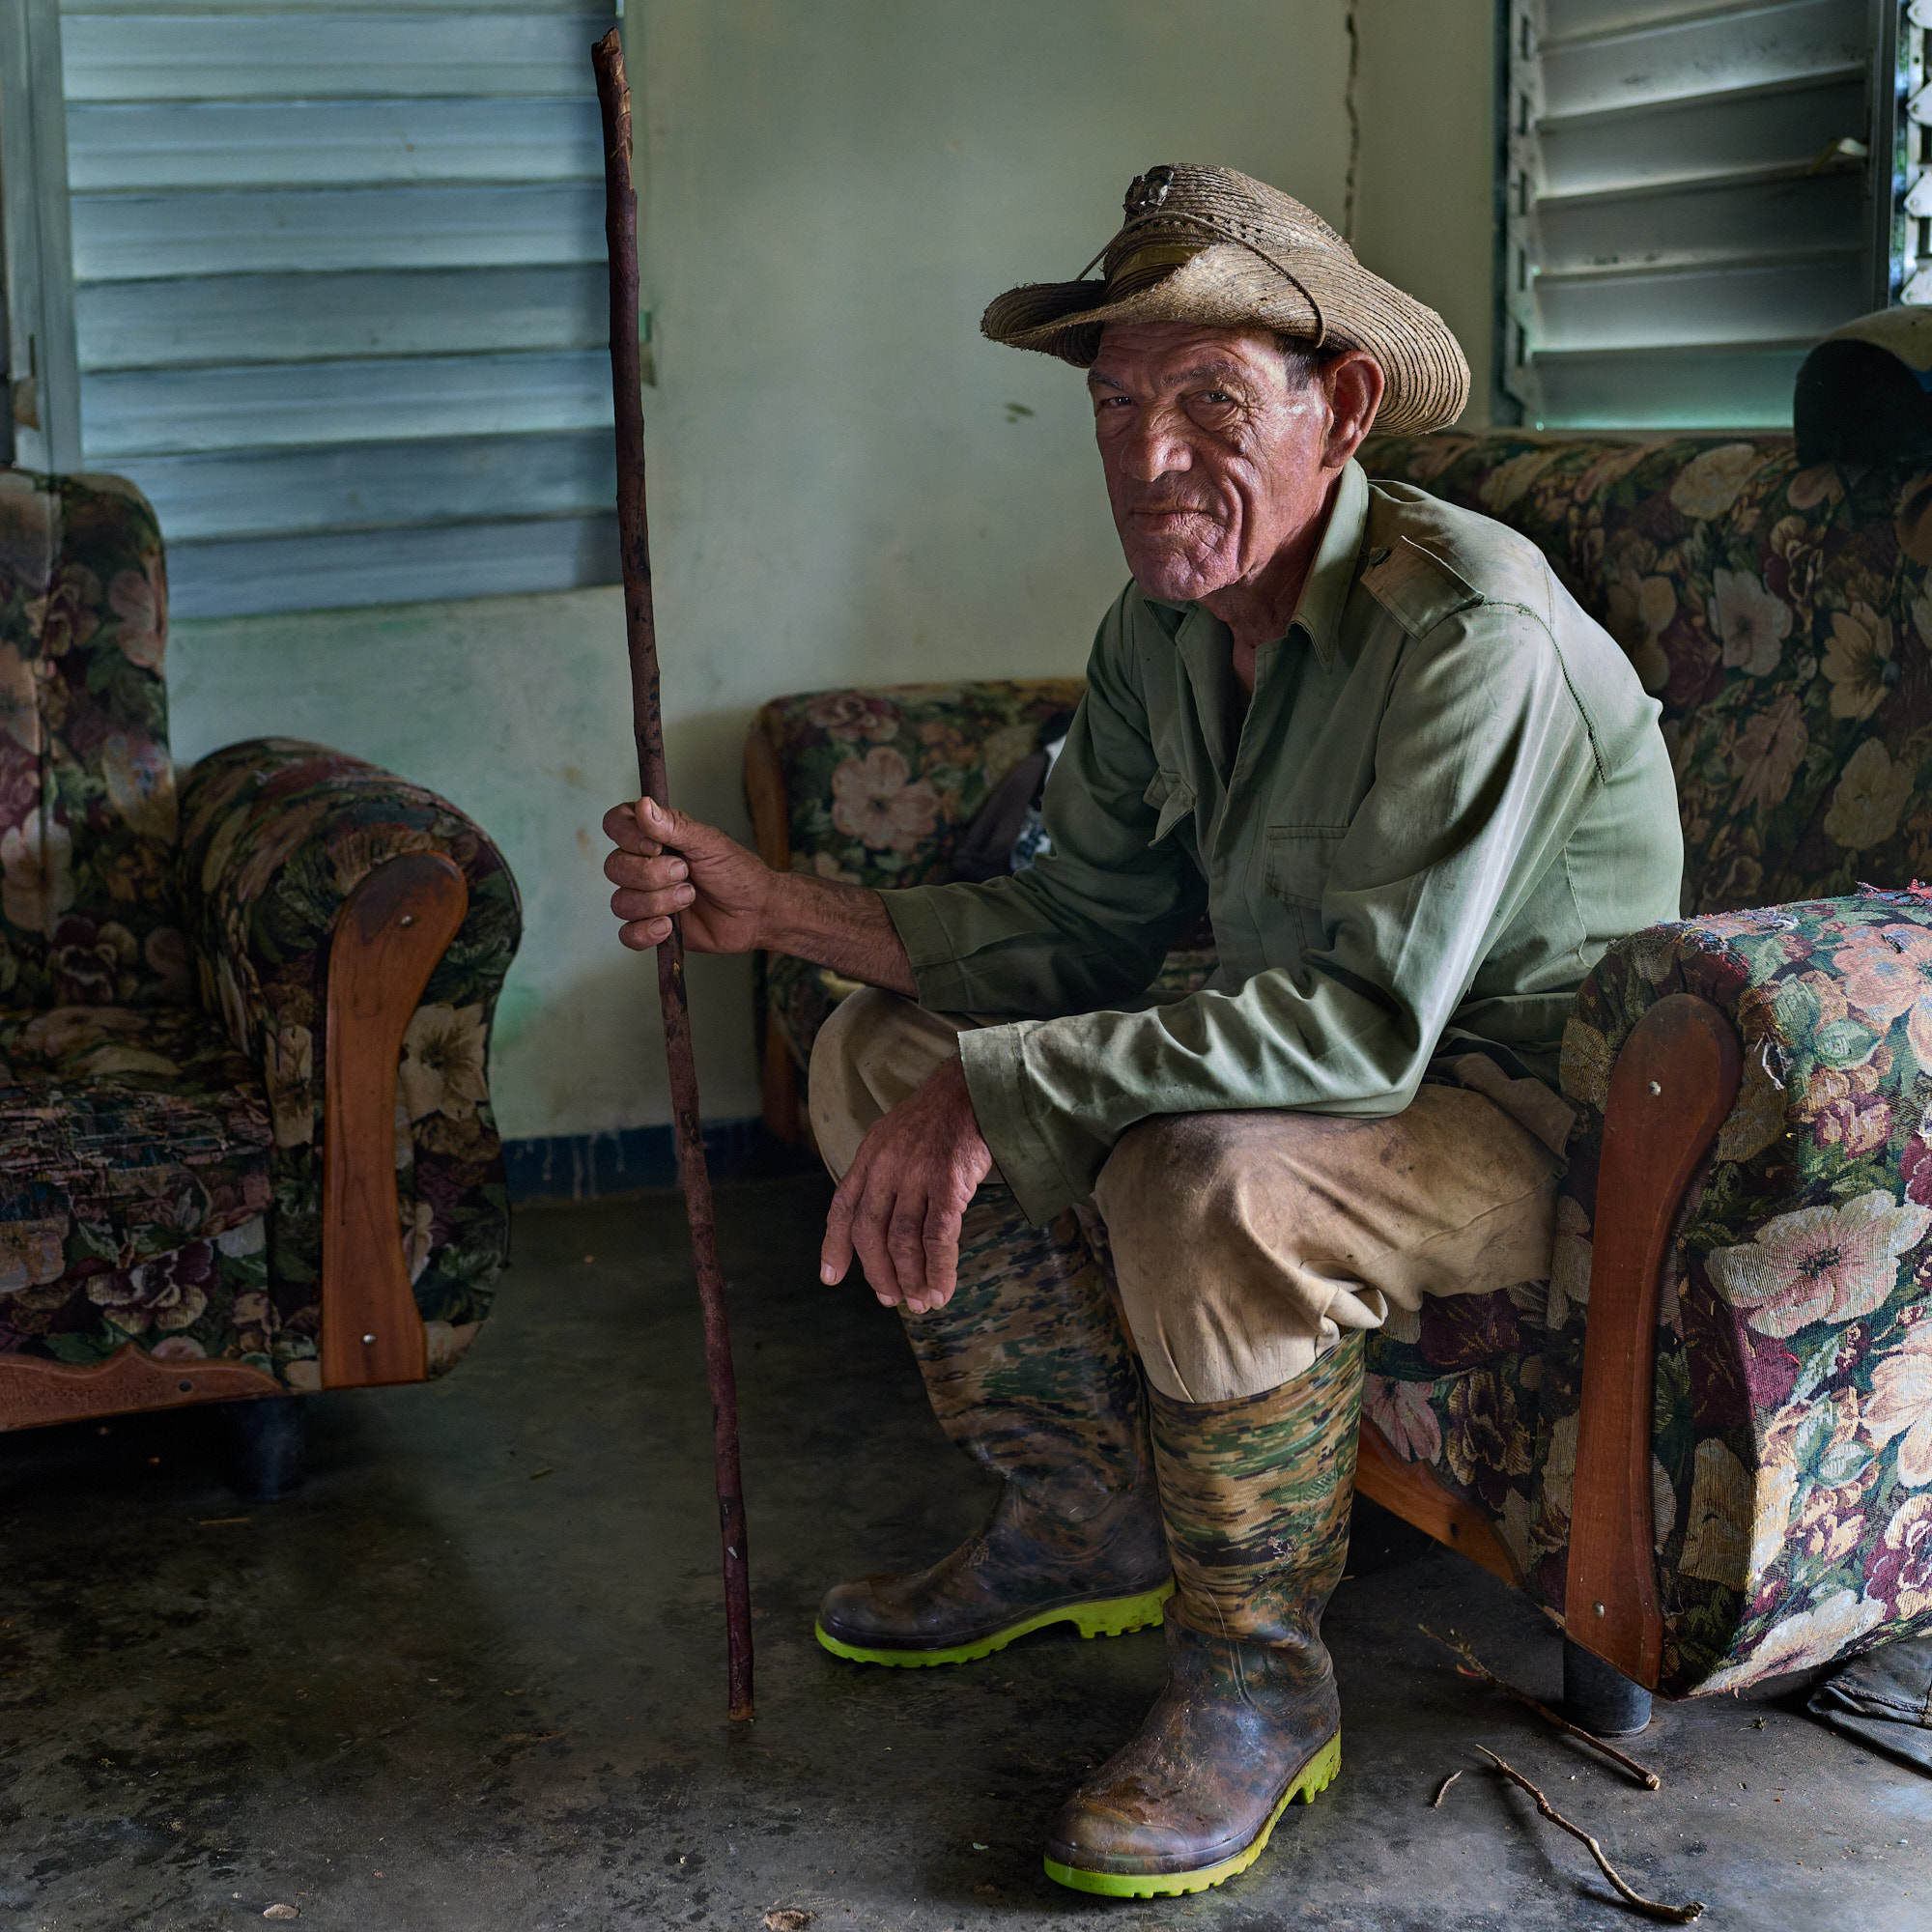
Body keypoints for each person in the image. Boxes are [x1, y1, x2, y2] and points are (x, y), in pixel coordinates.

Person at [602, 163, 1682, 1898]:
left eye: (1208, 402)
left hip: (1526, 1111)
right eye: (1117, 405)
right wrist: (777, 908)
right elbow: (1075, 929)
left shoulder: (1471, 631)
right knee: (873, 1048)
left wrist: (1000, 1086)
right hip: (1326, 1059)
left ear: (1339, 408)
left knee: (1199, 1179)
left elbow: (1360, 1029)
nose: (1150, 456)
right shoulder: (1162, 632)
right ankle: (1077, 1512)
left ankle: (1259, 1686)